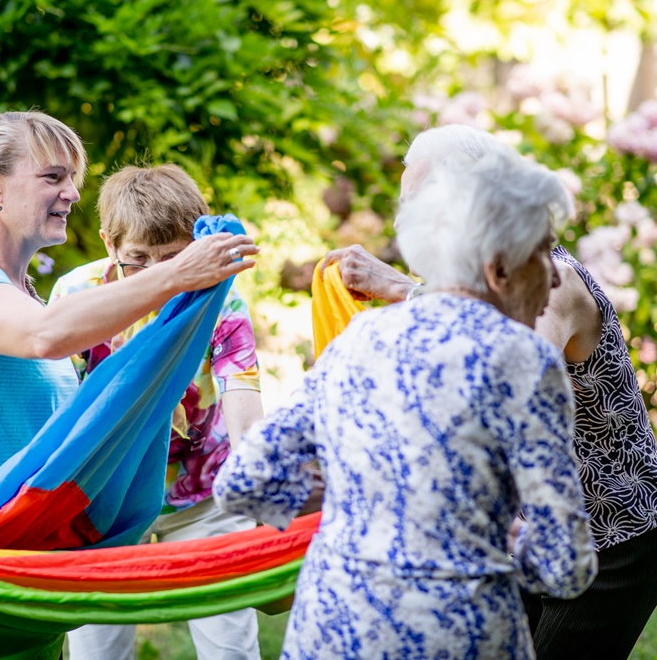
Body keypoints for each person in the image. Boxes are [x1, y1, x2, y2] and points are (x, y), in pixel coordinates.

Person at [214, 149, 597, 659]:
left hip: (332, 631)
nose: (554, 277)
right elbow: (565, 563)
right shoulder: (523, 358)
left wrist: (349, 498)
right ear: (498, 268)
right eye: (543, 254)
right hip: (459, 637)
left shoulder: (359, 336)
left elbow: (240, 481)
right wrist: (491, 533)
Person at [324, 124, 657, 660]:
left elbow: (500, 376)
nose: (408, 225)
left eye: (419, 206)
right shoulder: (490, 273)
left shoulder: (550, 283)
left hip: (613, 544)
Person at [0, 112, 258, 548]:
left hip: (23, 561)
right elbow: (44, 336)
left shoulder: (32, 297)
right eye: (53, 177)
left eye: (72, 178)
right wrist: (180, 274)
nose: (72, 193)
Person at [51, 165, 263, 660]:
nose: (159, 276)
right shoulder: (76, 295)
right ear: (109, 245)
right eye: (137, 261)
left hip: (202, 499)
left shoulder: (221, 300)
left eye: (173, 259)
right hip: (103, 501)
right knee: (95, 651)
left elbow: (241, 393)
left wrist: (258, 470)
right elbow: (57, 405)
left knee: (230, 648)